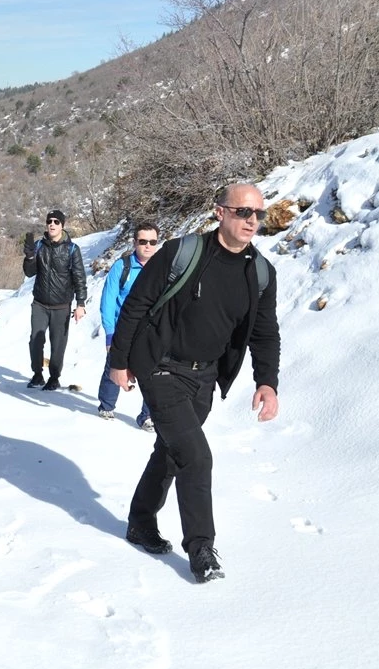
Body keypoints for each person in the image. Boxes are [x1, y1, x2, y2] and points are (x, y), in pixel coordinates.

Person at [109, 184, 280, 583]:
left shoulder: (260, 273)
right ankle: (201, 547)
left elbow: (265, 332)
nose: (251, 220)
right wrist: (118, 361)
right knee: (196, 457)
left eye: (258, 213)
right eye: (243, 211)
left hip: (205, 377)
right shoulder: (182, 253)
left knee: (171, 453)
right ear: (219, 212)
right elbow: (136, 304)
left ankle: (140, 522)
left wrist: (267, 382)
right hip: (161, 367)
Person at [96, 223, 158, 430]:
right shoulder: (122, 267)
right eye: (143, 241)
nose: (147, 246)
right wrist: (109, 334)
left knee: (152, 375)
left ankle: (147, 416)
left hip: (150, 333)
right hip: (122, 331)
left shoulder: (162, 269)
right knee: (114, 369)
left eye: (152, 242)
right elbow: (108, 300)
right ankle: (106, 405)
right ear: (134, 243)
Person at [23, 209, 87, 391]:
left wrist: (80, 303)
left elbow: (79, 277)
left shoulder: (72, 249)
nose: (52, 224)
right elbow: (29, 272)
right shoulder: (38, 246)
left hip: (62, 305)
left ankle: (54, 377)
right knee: (35, 339)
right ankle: (37, 374)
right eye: (49, 221)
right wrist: (29, 257)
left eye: (56, 222)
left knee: (58, 344)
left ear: (62, 226)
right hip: (40, 303)